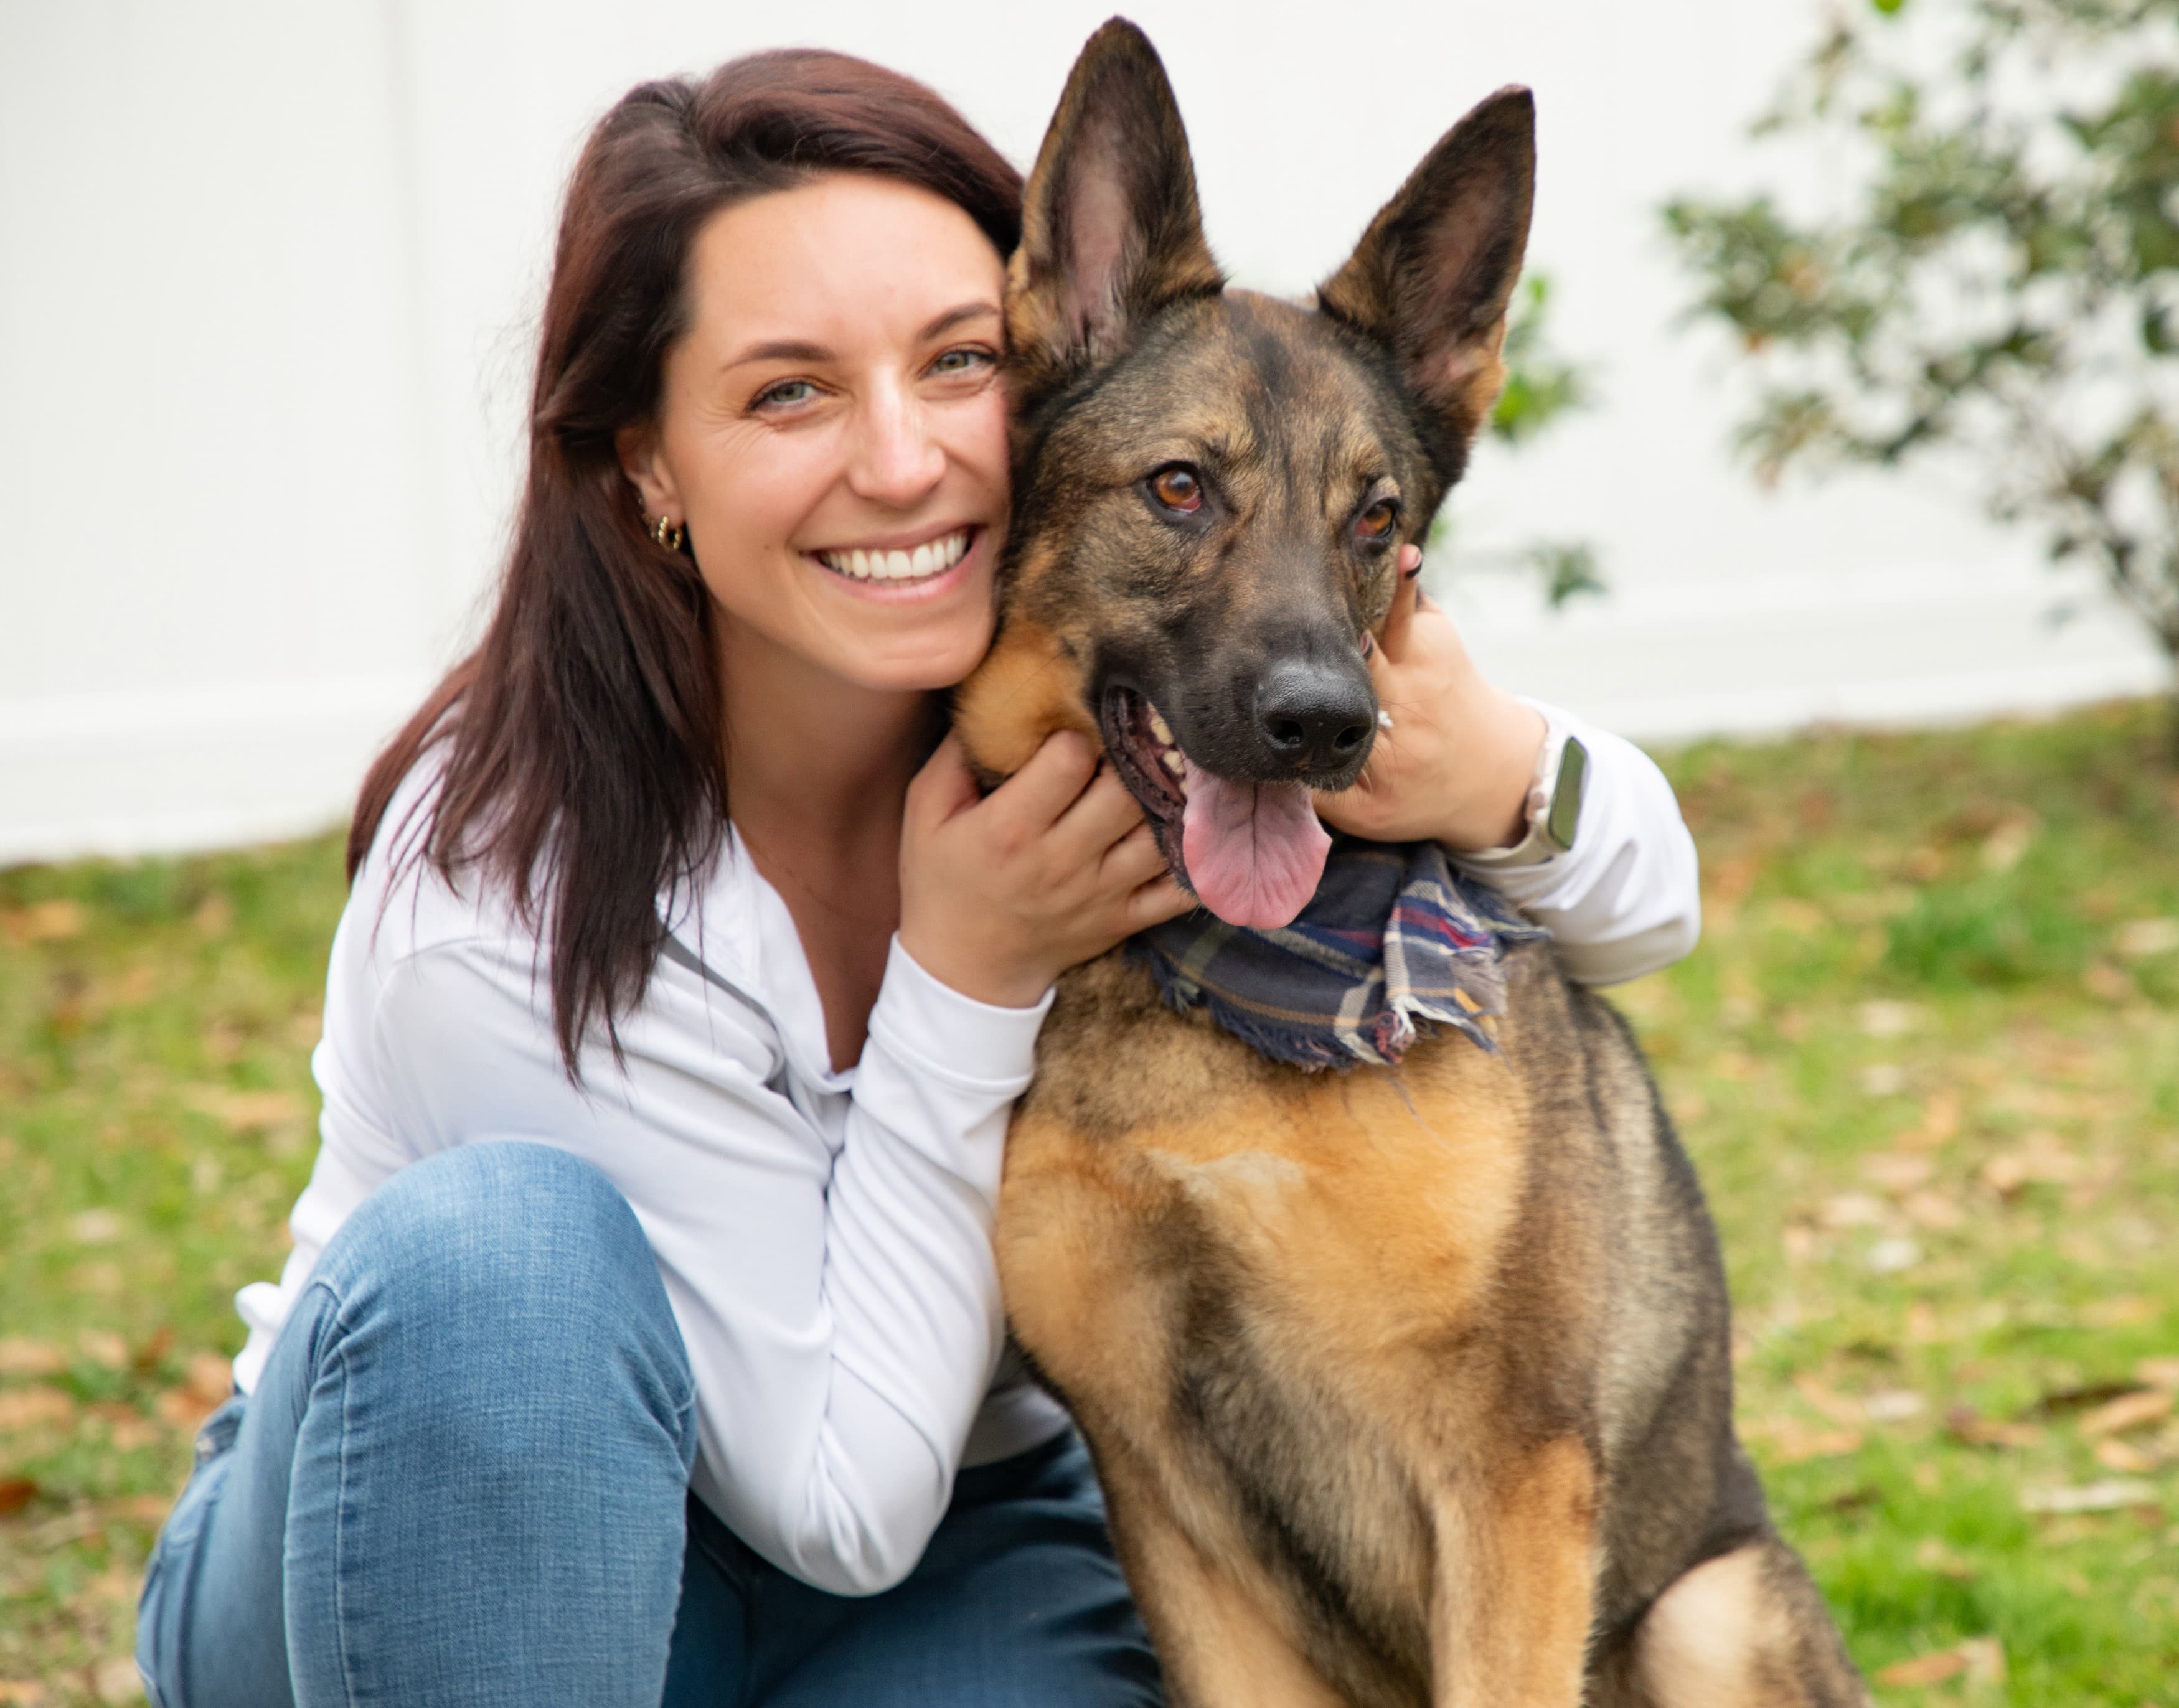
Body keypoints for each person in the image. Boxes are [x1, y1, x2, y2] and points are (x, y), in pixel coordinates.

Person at [136, 47, 1700, 1708]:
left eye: (952, 363)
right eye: (788, 391)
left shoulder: (1069, 718)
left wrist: (1501, 768)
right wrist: (963, 977)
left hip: (949, 1547)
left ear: (1031, 365)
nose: (899, 462)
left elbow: (1642, 901)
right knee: (499, 1253)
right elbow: (835, 1503)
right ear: (644, 462)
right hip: (458, 1511)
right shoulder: (493, 891)